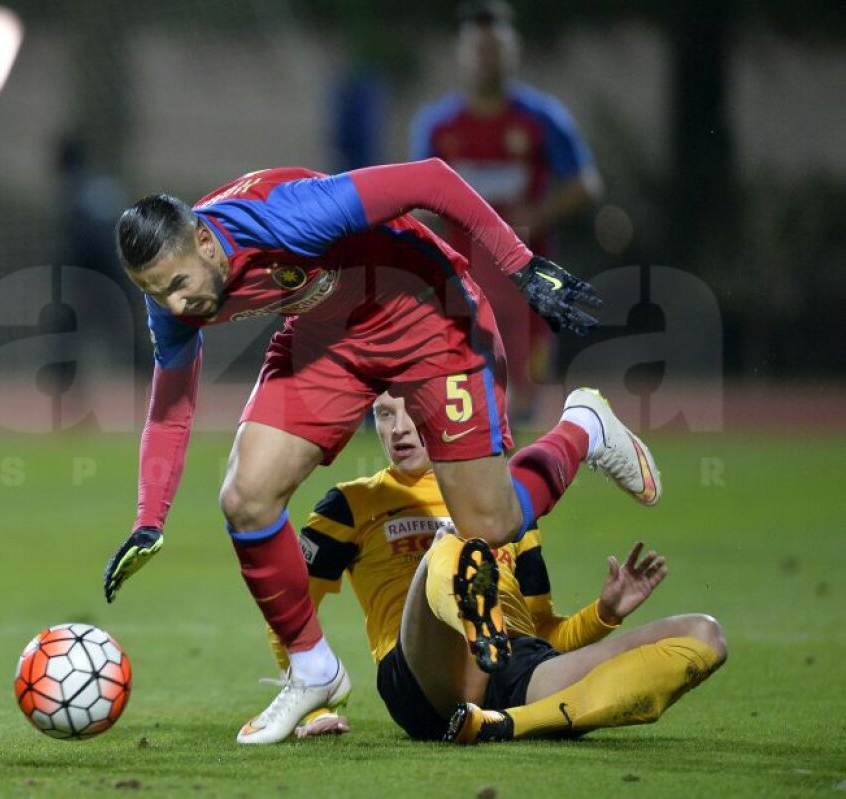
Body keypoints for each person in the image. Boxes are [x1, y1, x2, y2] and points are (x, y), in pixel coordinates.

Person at [102, 157, 659, 744]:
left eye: (177, 285)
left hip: (428, 314)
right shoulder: (171, 293)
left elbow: (432, 180)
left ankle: (584, 428)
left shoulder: (287, 216)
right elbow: (170, 406)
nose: (171, 306)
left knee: (488, 523)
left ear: (205, 241)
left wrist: (519, 267)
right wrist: (148, 519)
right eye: (153, 293)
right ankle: (312, 669)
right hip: (330, 338)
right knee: (246, 497)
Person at [288, 391, 725, 742]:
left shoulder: (507, 507)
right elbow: (290, 611)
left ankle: (506, 724)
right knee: (458, 537)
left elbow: (545, 632)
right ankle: (477, 626)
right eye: (384, 415)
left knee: (704, 635)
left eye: (413, 412)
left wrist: (605, 613)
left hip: (513, 668)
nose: (399, 429)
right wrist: (318, 706)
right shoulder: (351, 504)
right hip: (425, 676)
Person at [409, 0, 602, 424]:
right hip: (461, 280)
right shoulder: (438, 127)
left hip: (525, 283)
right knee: (463, 397)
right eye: (477, 49)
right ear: (462, 57)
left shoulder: (540, 119)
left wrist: (538, 215)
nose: (485, 58)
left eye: (494, 48)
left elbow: (585, 184)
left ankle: (521, 485)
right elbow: (416, 197)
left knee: (522, 401)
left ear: (511, 53)